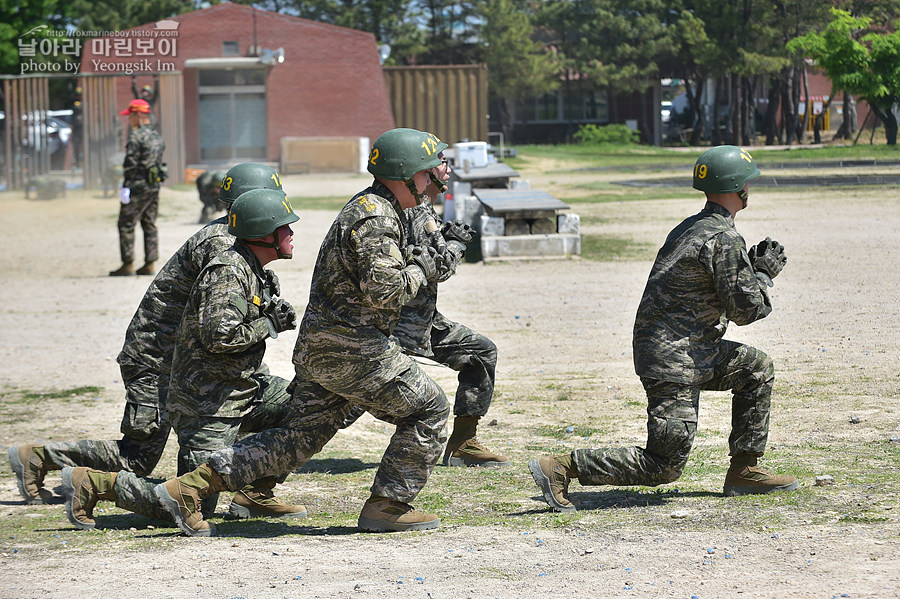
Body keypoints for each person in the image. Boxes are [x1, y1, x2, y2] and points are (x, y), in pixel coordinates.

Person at [147, 128, 452, 536]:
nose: (439, 175)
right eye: (431, 168)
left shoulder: (385, 209)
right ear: (407, 173)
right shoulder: (376, 216)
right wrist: (424, 269)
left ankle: (192, 487)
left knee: (300, 437)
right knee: (430, 407)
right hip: (352, 348)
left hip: (328, 348)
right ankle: (388, 505)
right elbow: (385, 291)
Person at [528, 145, 798, 511]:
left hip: (685, 348)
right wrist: (763, 274)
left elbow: (711, 286)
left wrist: (746, 270)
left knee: (755, 368)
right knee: (664, 465)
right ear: (738, 187)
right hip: (676, 361)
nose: (749, 187)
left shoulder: (694, 226)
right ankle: (561, 467)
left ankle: (744, 470)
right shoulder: (723, 238)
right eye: (747, 181)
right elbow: (746, 310)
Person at [8, 163, 285, 512]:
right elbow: (219, 326)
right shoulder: (222, 244)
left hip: (184, 358)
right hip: (158, 359)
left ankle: (250, 491)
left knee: (268, 406)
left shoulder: (234, 239)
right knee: (137, 459)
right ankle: (38, 458)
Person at [61, 188, 306, 530]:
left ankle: (254, 494)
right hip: (206, 404)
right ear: (264, 234)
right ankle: (94, 483)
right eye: (284, 227)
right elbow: (219, 337)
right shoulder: (226, 271)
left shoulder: (257, 269)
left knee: (309, 406)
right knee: (187, 503)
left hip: (242, 390)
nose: (292, 234)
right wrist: (268, 324)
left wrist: (269, 313)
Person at [391, 147, 508, 467]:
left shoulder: (421, 206)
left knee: (481, 353)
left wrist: (444, 236)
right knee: (340, 406)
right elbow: (438, 268)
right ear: (421, 169)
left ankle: (462, 443)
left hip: (421, 321)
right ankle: (270, 439)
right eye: (442, 163)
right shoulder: (416, 211)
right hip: (394, 328)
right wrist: (456, 244)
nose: (447, 169)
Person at [109, 98, 166, 277]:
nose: (130, 119)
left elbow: (131, 164)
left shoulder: (136, 137)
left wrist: (126, 187)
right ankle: (150, 263)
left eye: (131, 116)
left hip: (137, 186)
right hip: (153, 185)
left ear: (139, 114)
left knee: (126, 224)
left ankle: (128, 264)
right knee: (149, 223)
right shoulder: (157, 136)